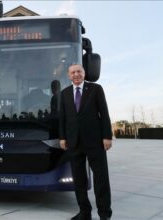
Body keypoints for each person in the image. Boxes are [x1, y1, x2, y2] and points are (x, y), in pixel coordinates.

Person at [59, 64, 112, 220]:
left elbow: (104, 113)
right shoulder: (65, 93)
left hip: (95, 141)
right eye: (73, 72)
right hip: (73, 142)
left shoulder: (96, 89)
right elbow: (63, 118)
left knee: (101, 178)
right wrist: (62, 138)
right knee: (79, 179)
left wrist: (107, 136)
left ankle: (104, 214)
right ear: (69, 76)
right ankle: (84, 211)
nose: (76, 74)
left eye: (79, 71)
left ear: (84, 73)